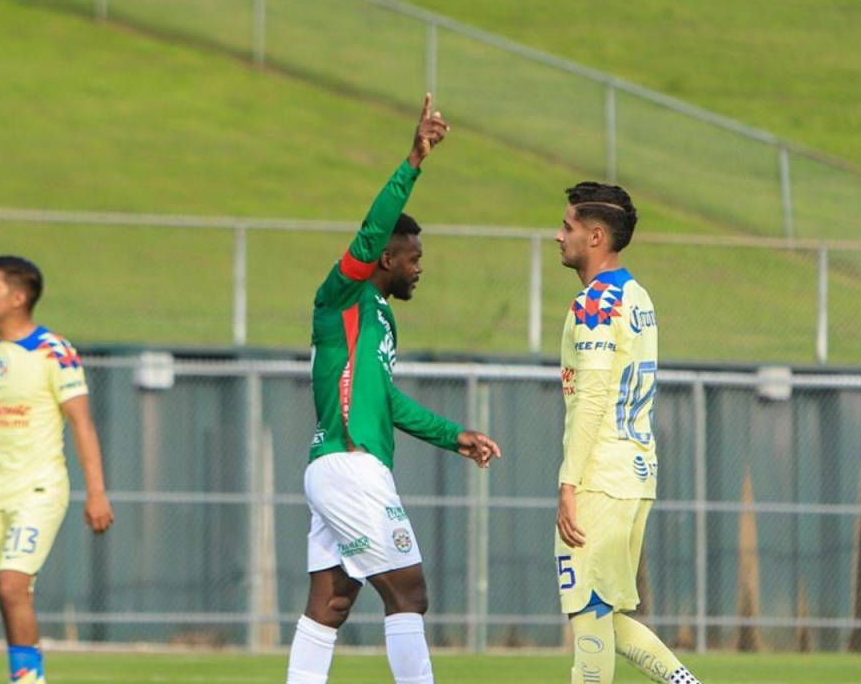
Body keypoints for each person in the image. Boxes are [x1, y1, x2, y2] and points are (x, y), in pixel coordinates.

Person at [286, 95, 501, 684]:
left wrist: (452, 435)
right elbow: (372, 226)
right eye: (413, 257)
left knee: (330, 604)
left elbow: (390, 401)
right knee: (409, 594)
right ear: (386, 256)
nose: (419, 267)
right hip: (351, 467)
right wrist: (414, 160)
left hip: (342, 467)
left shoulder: (379, 315)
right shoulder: (341, 298)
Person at [0, 256, 113, 684]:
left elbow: (82, 422)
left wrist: (97, 491)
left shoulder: (54, 350)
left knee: (12, 584)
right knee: (7, 591)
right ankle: (23, 677)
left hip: (40, 489)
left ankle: (31, 682)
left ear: (18, 297)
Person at [553, 184, 702, 684]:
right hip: (636, 474)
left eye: (568, 227)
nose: (559, 236)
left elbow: (593, 397)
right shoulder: (636, 296)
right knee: (610, 615)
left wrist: (568, 484)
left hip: (600, 477)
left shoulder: (596, 302)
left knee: (589, 616)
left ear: (595, 236)